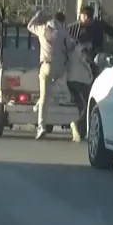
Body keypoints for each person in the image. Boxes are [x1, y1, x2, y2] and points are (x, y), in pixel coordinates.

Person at [26, 9, 68, 140]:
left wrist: (38, 15)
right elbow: (71, 46)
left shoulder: (43, 29)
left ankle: (41, 126)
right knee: (49, 93)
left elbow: (29, 26)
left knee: (44, 95)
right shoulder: (64, 32)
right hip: (61, 68)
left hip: (46, 65)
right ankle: (38, 105)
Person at [75, 5, 113, 78]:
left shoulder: (83, 28)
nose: (79, 17)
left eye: (81, 15)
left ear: (85, 16)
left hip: (87, 58)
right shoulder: (100, 23)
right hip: (99, 56)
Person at [65, 40, 93, 143]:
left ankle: (80, 131)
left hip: (70, 80)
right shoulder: (83, 50)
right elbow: (85, 59)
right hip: (81, 81)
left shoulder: (71, 51)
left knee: (81, 105)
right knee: (88, 106)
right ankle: (76, 123)